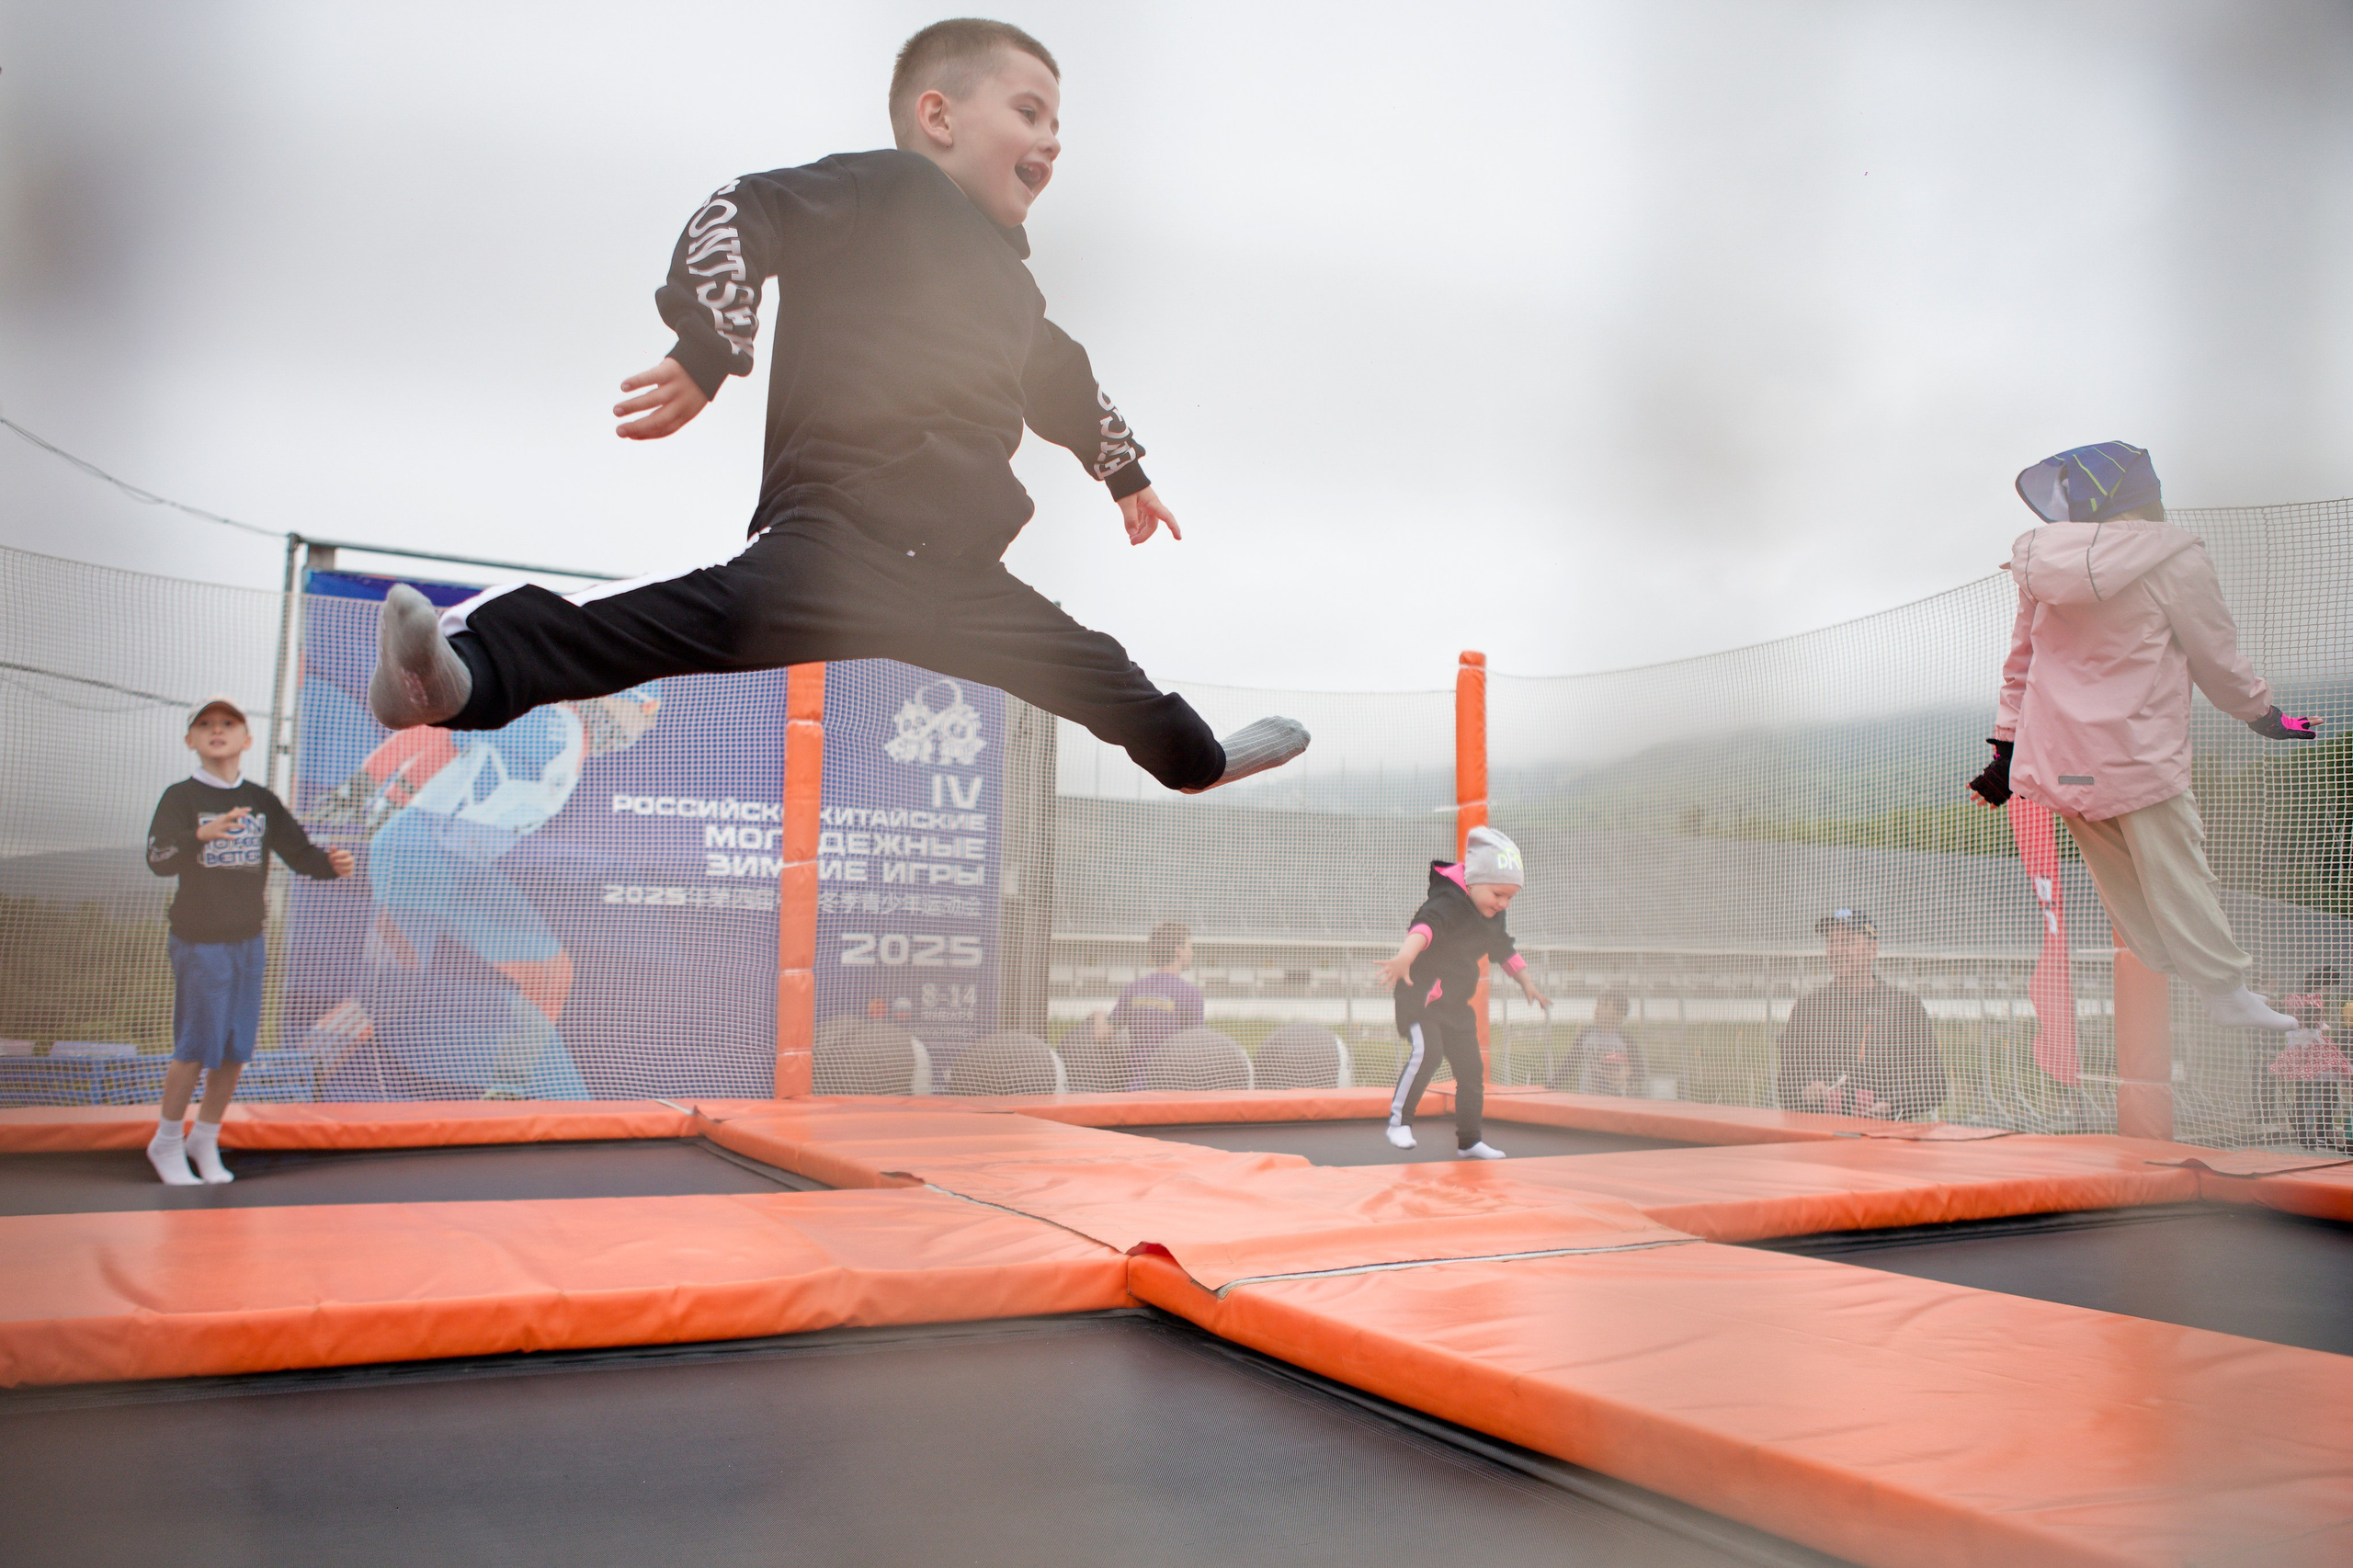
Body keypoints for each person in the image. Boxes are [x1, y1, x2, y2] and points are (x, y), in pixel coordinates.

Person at [366, 18, 1307, 800]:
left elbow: (1064, 375)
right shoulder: (884, 190)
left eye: (1060, 123)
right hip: (833, 547)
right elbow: (743, 210)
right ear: (936, 117)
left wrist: (1125, 475)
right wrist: (710, 342)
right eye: (1029, 113)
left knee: (1104, 673)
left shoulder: (1016, 290)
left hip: (965, 580)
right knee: (647, 622)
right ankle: (455, 676)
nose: (1052, 140)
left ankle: (1199, 760)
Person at [1968, 442, 2321, 1031]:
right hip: (2136, 758)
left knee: (2122, 881)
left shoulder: (2039, 562)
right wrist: (2264, 716)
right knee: (2179, 870)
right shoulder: (2174, 559)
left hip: (2059, 758)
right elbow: (2217, 658)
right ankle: (2225, 991)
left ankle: (2181, 975)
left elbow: (2020, 667)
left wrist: (2004, 756)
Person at [302, 688, 661, 1100]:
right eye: (645, 708)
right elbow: (442, 734)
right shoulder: (553, 726)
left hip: (446, 859)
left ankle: (506, 1093)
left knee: (545, 977)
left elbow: (459, 755)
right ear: (613, 700)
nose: (646, 723)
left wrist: (394, 795)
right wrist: (367, 784)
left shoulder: (569, 740)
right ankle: (294, 1081)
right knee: (388, 996)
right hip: (431, 853)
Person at [142, 699, 354, 1185]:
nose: (217, 730)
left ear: (246, 738)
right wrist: (201, 834)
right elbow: (158, 858)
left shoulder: (261, 801)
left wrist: (332, 864)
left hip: (248, 941)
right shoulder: (180, 797)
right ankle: (167, 1141)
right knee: (196, 1046)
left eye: (228, 723)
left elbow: (300, 854)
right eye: (205, 725)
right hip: (199, 940)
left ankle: (205, 1137)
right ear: (191, 740)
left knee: (237, 1049)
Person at [1376, 826, 1551, 1158]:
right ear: (1472, 882)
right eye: (1498, 894)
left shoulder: (1492, 915)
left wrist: (1528, 983)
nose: (1503, 903)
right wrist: (1404, 958)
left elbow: (1503, 949)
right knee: (1428, 1052)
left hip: (1455, 1003)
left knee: (1471, 1070)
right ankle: (1399, 1123)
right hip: (1421, 994)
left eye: (1510, 897)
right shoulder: (1449, 901)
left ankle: (1470, 1141)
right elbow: (1425, 927)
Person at [1776, 910, 1945, 1121]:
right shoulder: (1808, 1008)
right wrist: (1805, 1092)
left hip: (1884, 1138)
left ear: (1872, 949)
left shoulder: (1904, 1007)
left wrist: (1892, 1104)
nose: (1837, 950)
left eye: (1847, 941)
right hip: (1821, 1136)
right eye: (1832, 942)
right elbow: (1786, 1082)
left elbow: (1934, 1084)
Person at [1088, 919, 1205, 1088]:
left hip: (1137, 1091)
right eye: (1189, 947)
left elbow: (1101, 1036)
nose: (1192, 953)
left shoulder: (1134, 989)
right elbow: (1197, 1048)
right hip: (1175, 1092)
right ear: (1178, 951)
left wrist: (1099, 1015)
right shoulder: (1191, 994)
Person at [1552, 988, 1648, 1096]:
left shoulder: (1626, 1040)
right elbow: (1569, 1065)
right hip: (1588, 1098)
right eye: (1598, 1004)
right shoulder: (1586, 1036)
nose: (1597, 1010)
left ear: (1620, 1013)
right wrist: (1551, 1086)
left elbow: (1640, 1072)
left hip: (1616, 1100)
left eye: (1605, 1006)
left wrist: (1624, 1075)